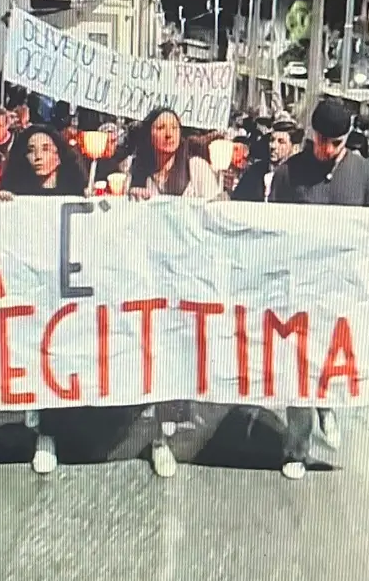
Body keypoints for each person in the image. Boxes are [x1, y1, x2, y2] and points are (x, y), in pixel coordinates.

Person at [269, 98, 369, 480]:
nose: (326, 150)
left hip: (342, 293)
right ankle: (296, 448)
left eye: (334, 143)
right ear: (311, 135)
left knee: (329, 364)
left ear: (346, 139)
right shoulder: (289, 173)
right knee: (299, 370)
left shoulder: (364, 174)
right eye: (320, 141)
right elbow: (269, 227)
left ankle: (327, 406)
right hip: (299, 290)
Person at [127, 107, 221, 477]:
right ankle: (158, 437)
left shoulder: (197, 170)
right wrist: (129, 200)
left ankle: (171, 420)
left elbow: (218, 213)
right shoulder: (135, 172)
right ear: (149, 134)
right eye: (160, 127)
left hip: (188, 277)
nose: (168, 133)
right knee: (154, 353)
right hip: (149, 278)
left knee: (182, 351)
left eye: (175, 127)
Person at [0, 125, 90, 474]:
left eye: (45, 149)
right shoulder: (14, 195)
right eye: (31, 150)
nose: (38, 157)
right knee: (35, 357)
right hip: (30, 291)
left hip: (65, 293)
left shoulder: (77, 193)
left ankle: (55, 426)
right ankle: (44, 435)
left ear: (59, 153)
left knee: (60, 360)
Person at [232, 120, 299, 203]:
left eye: (281, 142)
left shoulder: (298, 177)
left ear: (294, 148)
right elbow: (237, 200)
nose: (273, 146)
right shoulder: (255, 171)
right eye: (272, 140)